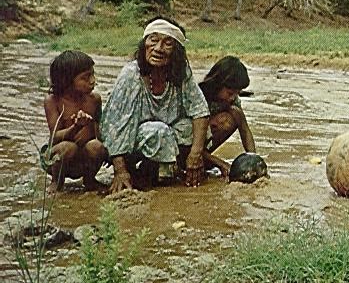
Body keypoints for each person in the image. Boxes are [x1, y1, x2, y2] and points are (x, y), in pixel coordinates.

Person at [100, 17, 210, 193]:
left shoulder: (181, 73)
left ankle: (175, 167)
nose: (158, 49)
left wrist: (195, 154)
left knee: (192, 128)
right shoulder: (131, 75)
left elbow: (200, 110)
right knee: (157, 131)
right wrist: (120, 171)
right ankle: (143, 172)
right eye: (153, 40)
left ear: (176, 52)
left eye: (167, 43)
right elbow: (115, 126)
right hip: (135, 141)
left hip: (166, 138)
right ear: (144, 44)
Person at [42, 50, 108, 194]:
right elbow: (55, 138)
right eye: (85, 77)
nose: (93, 80)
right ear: (67, 81)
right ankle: (56, 182)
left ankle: (90, 180)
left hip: (84, 158)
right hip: (59, 158)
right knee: (66, 147)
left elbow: (99, 134)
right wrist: (76, 127)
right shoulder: (53, 101)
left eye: (92, 74)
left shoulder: (94, 100)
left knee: (97, 147)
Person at [199, 56, 256, 178]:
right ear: (217, 84)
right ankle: (202, 159)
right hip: (186, 146)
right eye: (230, 93)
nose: (233, 98)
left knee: (235, 114)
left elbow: (245, 130)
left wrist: (254, 160)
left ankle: (205, 159)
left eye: (237, 93)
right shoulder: (198, 98)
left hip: (202, 148)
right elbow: (185, 141)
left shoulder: (232, 102)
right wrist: (220, 163)